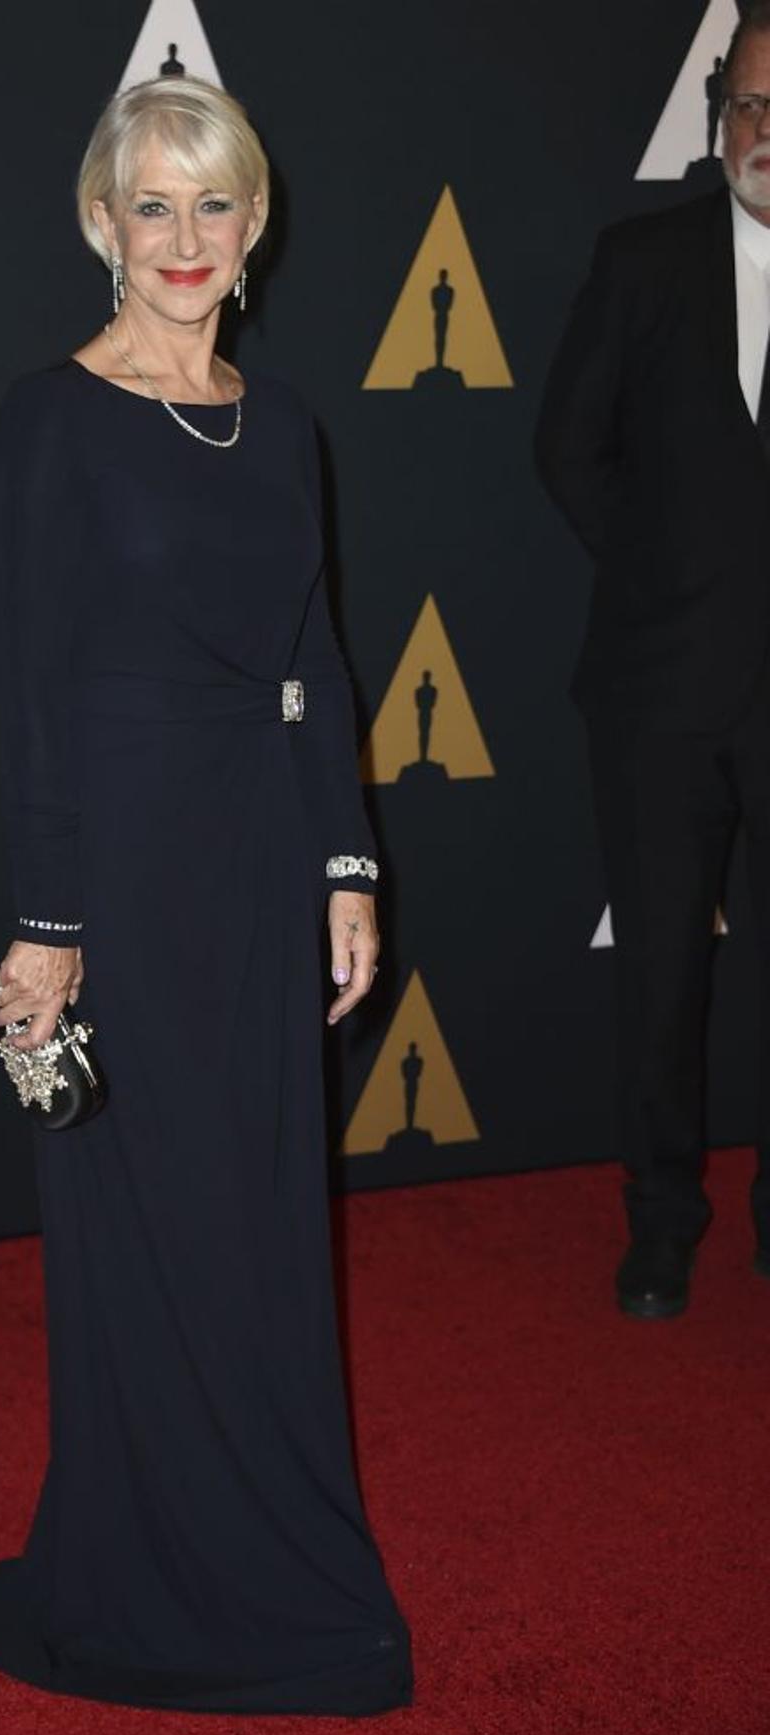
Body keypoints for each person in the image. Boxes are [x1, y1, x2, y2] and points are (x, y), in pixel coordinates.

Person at [0, 74, 413, 1716]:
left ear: (256, 220)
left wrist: (344, 859)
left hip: (256, 851)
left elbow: (315, 652)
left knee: (269, 1221)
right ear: (101, 222)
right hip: (127, 864)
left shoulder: (284, 421)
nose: (186, 238)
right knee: (148, 1225)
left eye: (215, 203)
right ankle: (147, 1573)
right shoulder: (50, 417)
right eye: (153, 204)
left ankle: (282, 1548)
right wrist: (48, 923)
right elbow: (35, 688)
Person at [534, 6, 770, 1319]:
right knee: (663, 976)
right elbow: (568, 447)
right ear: (717, 118)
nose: (765, 131)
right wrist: (665, 568)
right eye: (748, 105)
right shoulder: (642, 258)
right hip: (658, 693)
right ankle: (662, 1225)